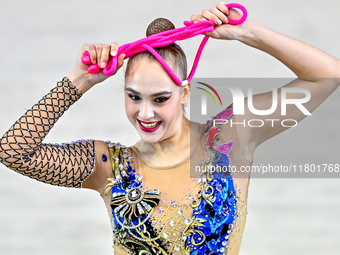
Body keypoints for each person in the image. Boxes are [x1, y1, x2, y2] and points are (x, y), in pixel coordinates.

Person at [0, 2, 339, 255]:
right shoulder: (110, 166)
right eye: (134, 97)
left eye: (160, 98)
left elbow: (327, 76)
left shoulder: (229, 138)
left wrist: (247, 33)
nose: (144, 113)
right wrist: (80, 80)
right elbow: (12, 151)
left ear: (185, 92)